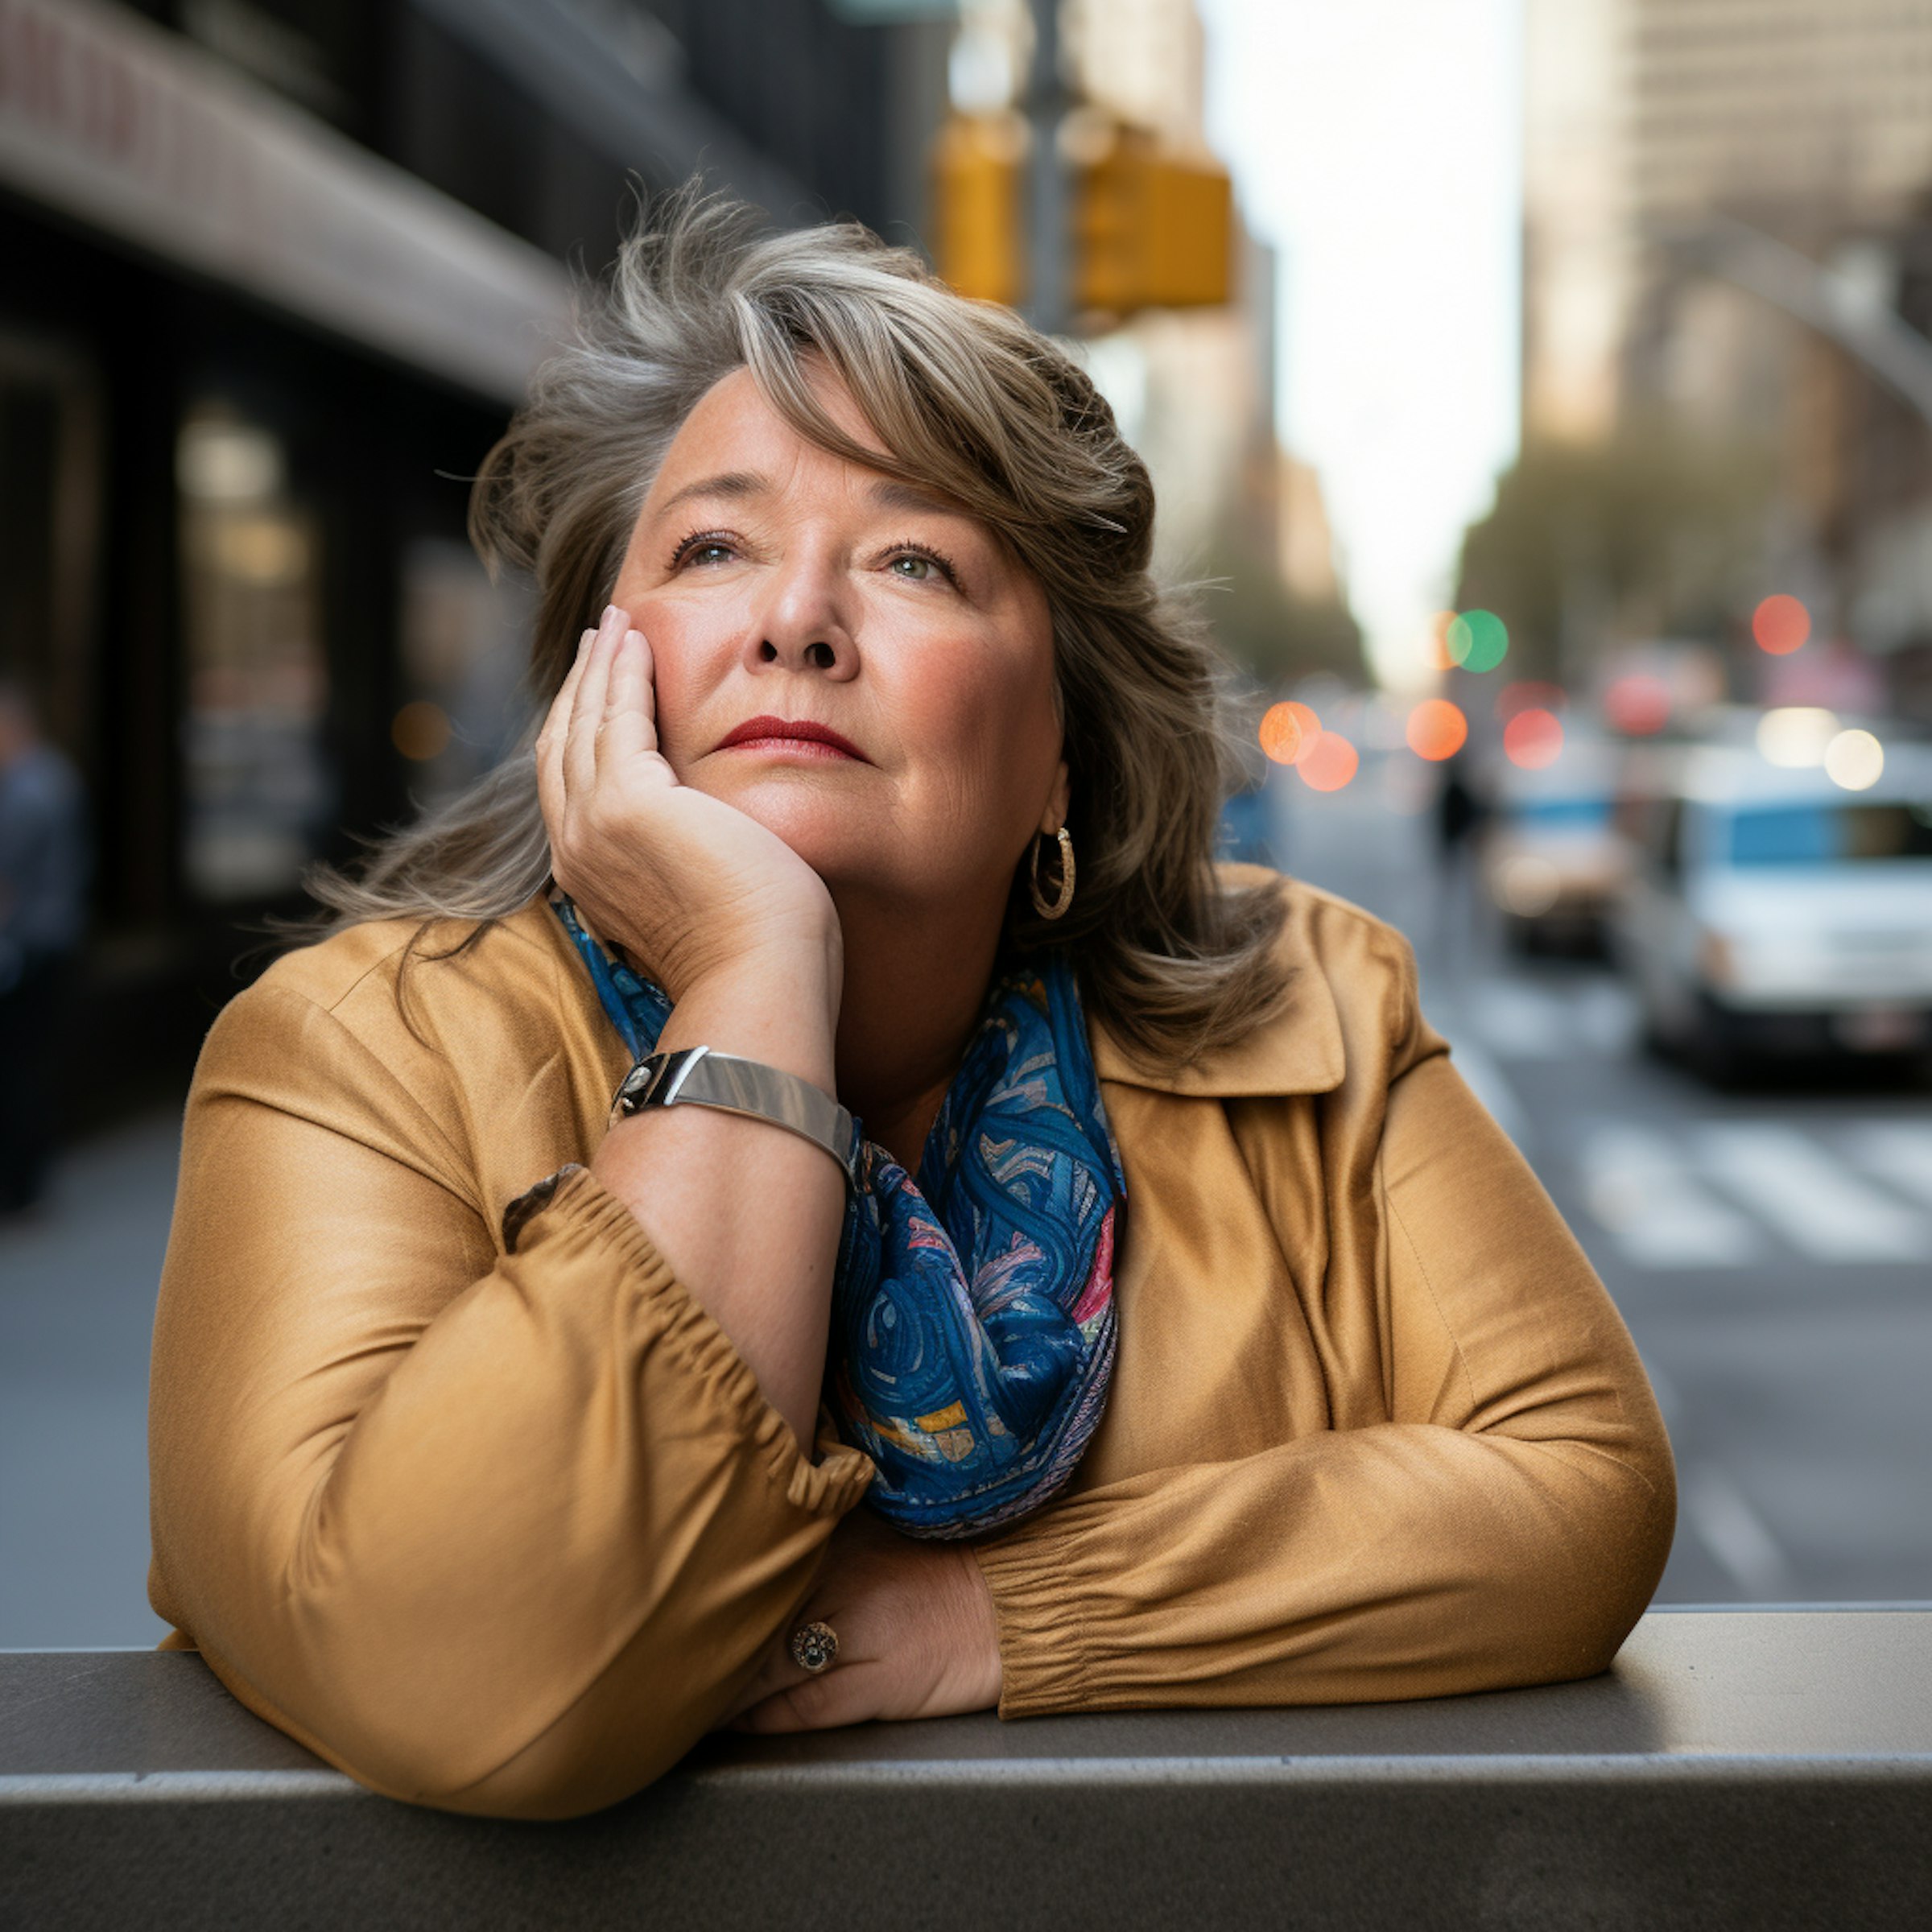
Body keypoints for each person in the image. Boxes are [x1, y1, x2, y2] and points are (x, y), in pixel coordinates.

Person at [147, 193, 1674, 1821]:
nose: (797, 619)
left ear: (1060, 752)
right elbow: (480, 1682)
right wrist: (750, 978)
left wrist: (991, 1621)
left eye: (914, 561)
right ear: (599, 675)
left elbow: (1577, 1488)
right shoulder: (353, 1054)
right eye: (716, 546)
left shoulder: (1317, 1010)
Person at [0, 676, 88, 1217]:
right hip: (49, 939)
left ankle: (24, 1186)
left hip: (28, 947)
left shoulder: (31, 790)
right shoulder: (54, 778)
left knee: (18, 1069)